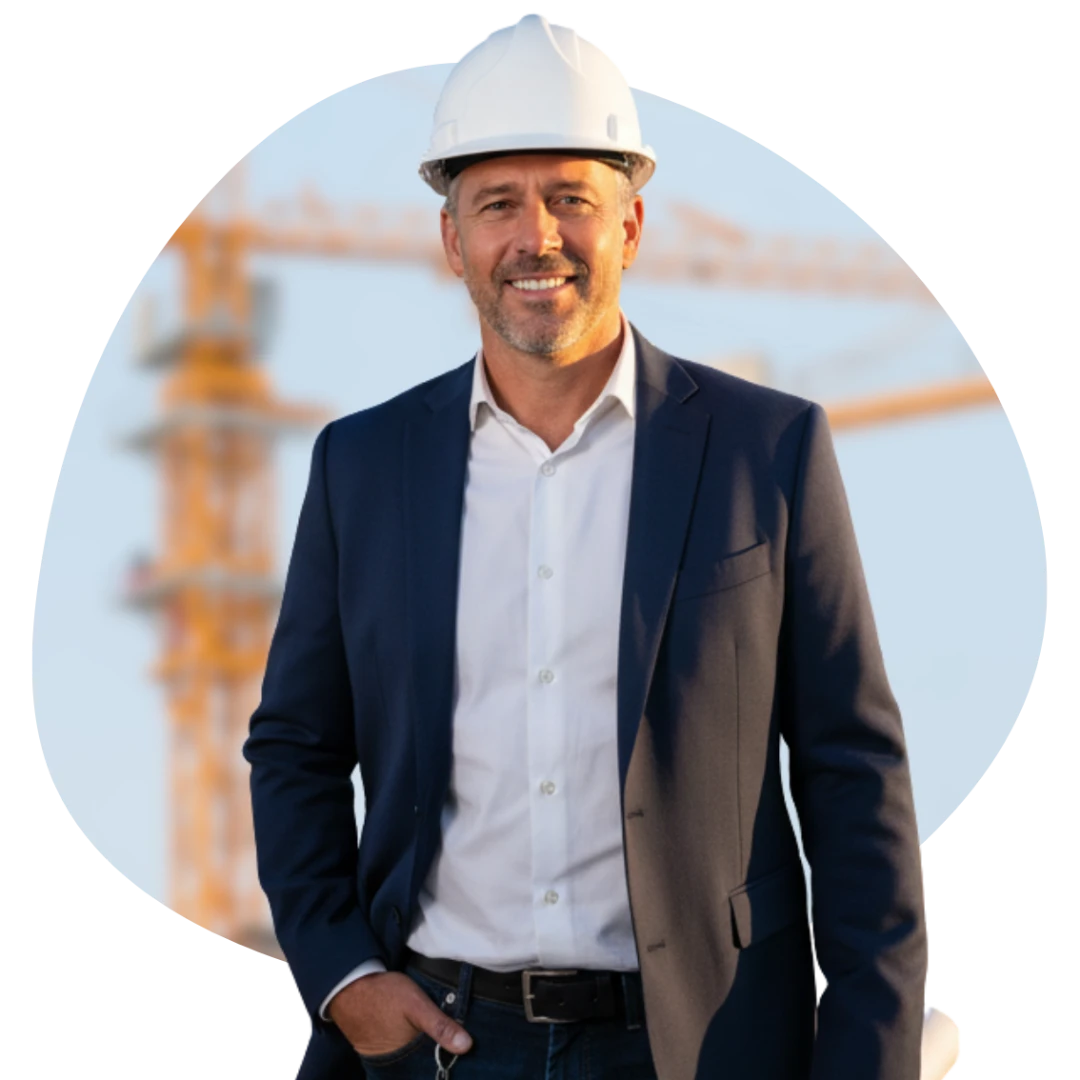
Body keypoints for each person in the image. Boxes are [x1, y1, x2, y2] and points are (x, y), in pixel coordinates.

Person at [243, 13, 928, 1080]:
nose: (537, 237)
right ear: (452, 239)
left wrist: (873, 1060)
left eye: (572, 199)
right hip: (439, 1048)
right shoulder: (362, 468)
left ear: (634, 225)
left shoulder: (769, 451)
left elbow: (853, 773)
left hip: (703, 1048)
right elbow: (294, 748)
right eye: (499, 204)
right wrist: (342, 977)